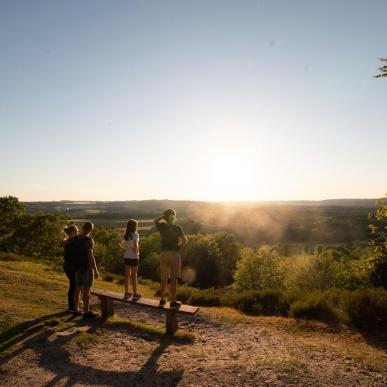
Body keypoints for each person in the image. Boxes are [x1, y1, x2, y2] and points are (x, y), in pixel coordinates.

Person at [154, 209, 188, 308]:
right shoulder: (178, 228)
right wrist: (179, 245)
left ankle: (162, 300)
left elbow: (154, 221)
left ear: (165, 217)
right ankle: (173, 301)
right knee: (173, 279)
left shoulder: (162, 226)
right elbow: (185, 241)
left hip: (164, 254)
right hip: (174, 254)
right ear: (174, 217)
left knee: (164, 278)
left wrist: (163, 217)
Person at [73, 221, 99, 318]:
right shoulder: (89, 240)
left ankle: (76, 310)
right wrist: (95, 270)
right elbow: (90, 256)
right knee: (87, 291)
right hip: (87, 268)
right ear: (90, 229)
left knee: (77, 290)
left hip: (76, 267)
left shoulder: (75, 239)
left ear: (83, 228)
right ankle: (86, 311)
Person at [117, 219, 140, 300]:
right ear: (134, 226)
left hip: (126, 256)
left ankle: (126, 293)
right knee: (134, 276)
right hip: (134, 257)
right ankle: (135, 293)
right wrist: (136, 252)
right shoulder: (135, 235)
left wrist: (124, 249)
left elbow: (117, 242)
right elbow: (135, 246)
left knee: (127, 276)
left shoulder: (125, 235)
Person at [61, 225, 79, 311]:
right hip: (70, 267)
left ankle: (73, 305)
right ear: (71, 232)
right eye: (76, 231)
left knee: (74, 284)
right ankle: (72, 306)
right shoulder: (71, 241)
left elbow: (63, 241)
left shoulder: (68, 241)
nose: (77, 233)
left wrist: (65, 237)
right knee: (73, 285)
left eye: (77, 231)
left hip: (68, 266)